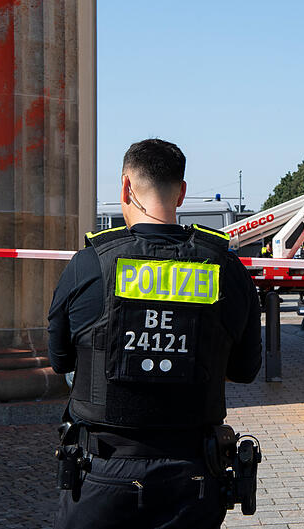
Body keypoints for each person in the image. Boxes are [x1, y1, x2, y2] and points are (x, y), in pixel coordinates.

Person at [48, 139, 262, 529]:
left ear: (125, 188)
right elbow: (246, 369)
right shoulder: (226, 268)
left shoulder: (90, 265)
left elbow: (60, 359)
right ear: (181, 192)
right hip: (194, 478)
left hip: (102, 473)